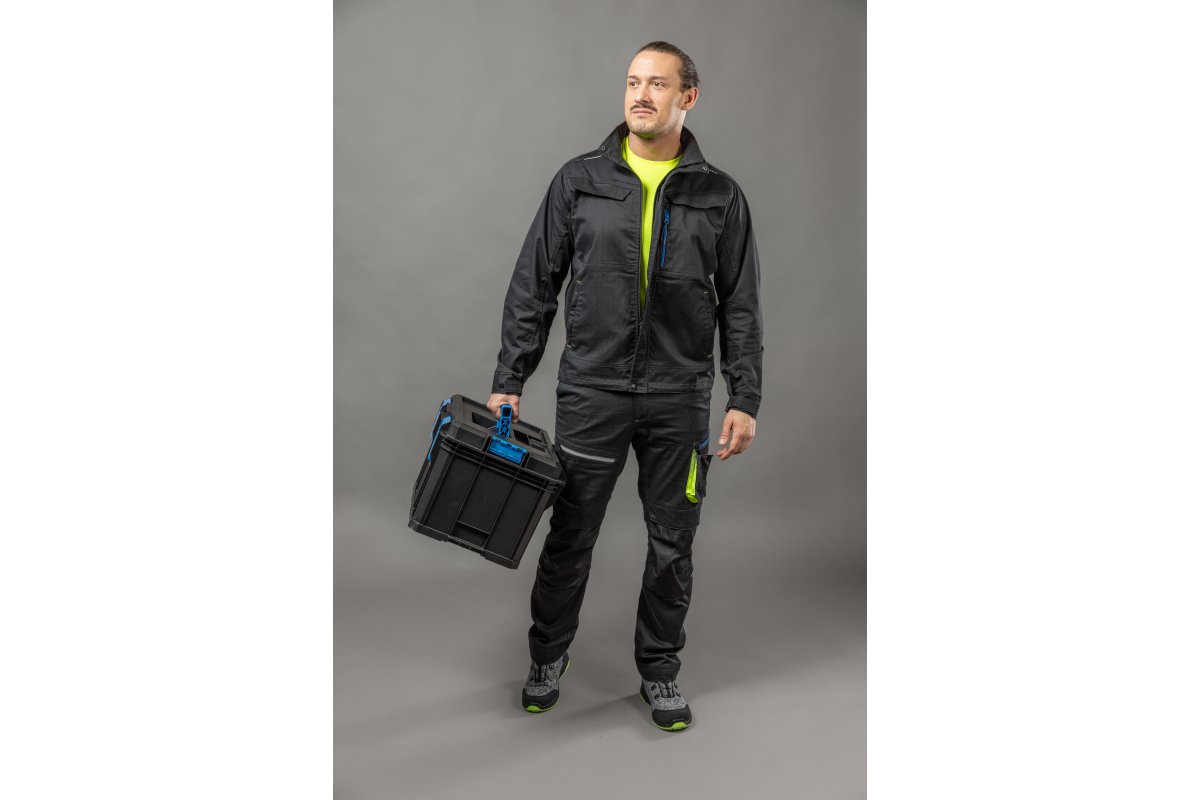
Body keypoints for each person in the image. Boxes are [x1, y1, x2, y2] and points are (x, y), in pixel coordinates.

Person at [487, 41, 764, 732]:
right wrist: (510, 379)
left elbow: (740, 304)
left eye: (658, 84)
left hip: (679, 396)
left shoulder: (719, 194)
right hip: (593, 390)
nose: (641, 94)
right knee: (570, 536)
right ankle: (547, 656)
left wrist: (745, 396)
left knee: (674, 543)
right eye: (634, 82)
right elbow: (534, 284)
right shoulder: (579, 180)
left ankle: (660, 671)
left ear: (687, 98)